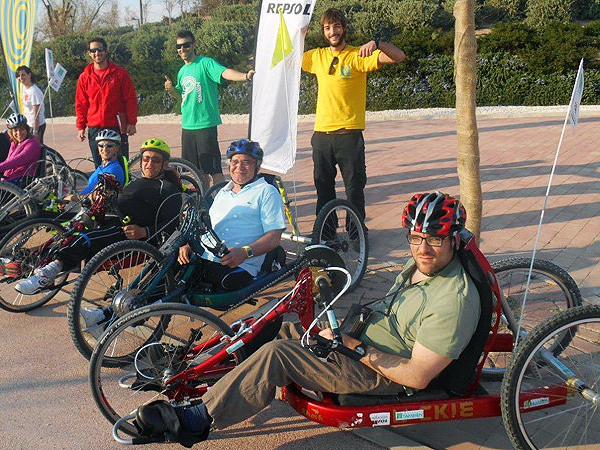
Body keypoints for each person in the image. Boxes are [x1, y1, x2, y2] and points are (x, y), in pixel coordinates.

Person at [134, 192, 480, 447]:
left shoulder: (453, 299)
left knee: (279, 354)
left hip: (381, 373)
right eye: (416, 238)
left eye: (434, 239)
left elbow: (417, 376)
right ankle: (200, 373)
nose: (423, 249)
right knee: (276, 323)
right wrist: (341, 337)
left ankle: (196, 420)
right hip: (357, 343)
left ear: (454, 239)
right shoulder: (422, 265)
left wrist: (352, 346)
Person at [14, 138, 182, 302]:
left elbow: (175, 224)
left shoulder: (166, 188)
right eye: (146, 158)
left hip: (131, 233)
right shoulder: (137, 181)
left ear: (165, 164)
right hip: (111, 219)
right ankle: (26, 264)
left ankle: (47, 274)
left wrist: (145, 231)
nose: (149, 163)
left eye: (155, 160)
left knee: (84, 238)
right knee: (67, 233)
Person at [302, 8, 404, 223]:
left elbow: (399, 57)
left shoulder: (358, 55)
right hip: (321, 136)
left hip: (349, 136)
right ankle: (326, 232)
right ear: (323, 31)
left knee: (354, 189)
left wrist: (377, 43)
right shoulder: (316, 56)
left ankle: (356, 232)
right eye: (327, 28)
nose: (332, 32)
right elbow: (286, 57)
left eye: (336, 27)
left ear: (344, 28)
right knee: (323, 188)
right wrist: (299, 32)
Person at [177, 139, 284, 291]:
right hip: (204, 256)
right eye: (235, 162)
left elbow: (274, 238)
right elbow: (209, 228)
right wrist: (191, 245)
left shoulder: (266, 192)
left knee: (192, 285)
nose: (239, 167)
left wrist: (245, 252)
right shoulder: (223, 192)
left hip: (237, 264)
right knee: (165, 271)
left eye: (246, 162)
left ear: (258, 166)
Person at [164, 30, 256, 187]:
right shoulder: (182, 71)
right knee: (197, 172)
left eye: (186, 45)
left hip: (205, 125)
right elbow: (182, 97)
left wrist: (245, 76)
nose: (182, 49)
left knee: (214, 170)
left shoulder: (205, 63)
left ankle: (220, 198)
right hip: (187, 126)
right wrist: (172, 90)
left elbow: (224, 72)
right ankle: (204, 200)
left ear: (194, 45)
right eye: (178, 46)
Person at [75, 37, 138, 165]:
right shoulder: (84, 77)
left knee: (121, 165)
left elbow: (130, 99)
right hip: (95, 127)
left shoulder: (119, 74)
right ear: (89, 53)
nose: (97, 53)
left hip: (116, 126)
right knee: (99, 166)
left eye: (100, 49)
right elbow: (81, 104)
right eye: (93, 50)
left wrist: (132, 122)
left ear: (106, 51)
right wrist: (81, 127)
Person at [0, 113, 42, 184]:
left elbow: (18, 160)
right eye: (15, 130)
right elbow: (7, 162)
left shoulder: (32, 144)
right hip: (9, 180)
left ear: (26, 129)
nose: (19, 133)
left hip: (21, 180)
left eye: (22, 129)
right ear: (11, 132)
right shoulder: (14, 144)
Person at [76, 129, 127, 197]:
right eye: (101, 145)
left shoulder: (113, 171)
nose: (104, 149)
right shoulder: (103, 166)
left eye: (109, 146)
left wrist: (73, 197)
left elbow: (97, 197)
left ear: (117, 148)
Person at [16, 66, 46, 144]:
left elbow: (36, 113)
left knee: (35, 147)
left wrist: (35, 131)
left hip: (36, 126)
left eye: (23, 75)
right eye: (18, 76)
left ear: (29, 75)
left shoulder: (34, 91)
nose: (21, 77)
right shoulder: (25, 89)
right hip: (28, 124)